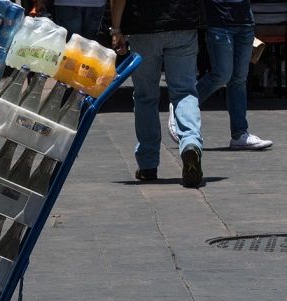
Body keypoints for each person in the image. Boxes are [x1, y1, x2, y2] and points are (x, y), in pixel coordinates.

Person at [110, 0, 205, 188]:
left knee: (145, 96)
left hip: (144, 26)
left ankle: (148, 164)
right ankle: (190, 143)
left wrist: (116, 29)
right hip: (182, 22)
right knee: (184, 91)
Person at [166, 0, 273, 150]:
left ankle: (239, 134)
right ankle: (182, 102)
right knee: (221, 75)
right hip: (219, 23)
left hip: (245, 22)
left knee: (239, 80)